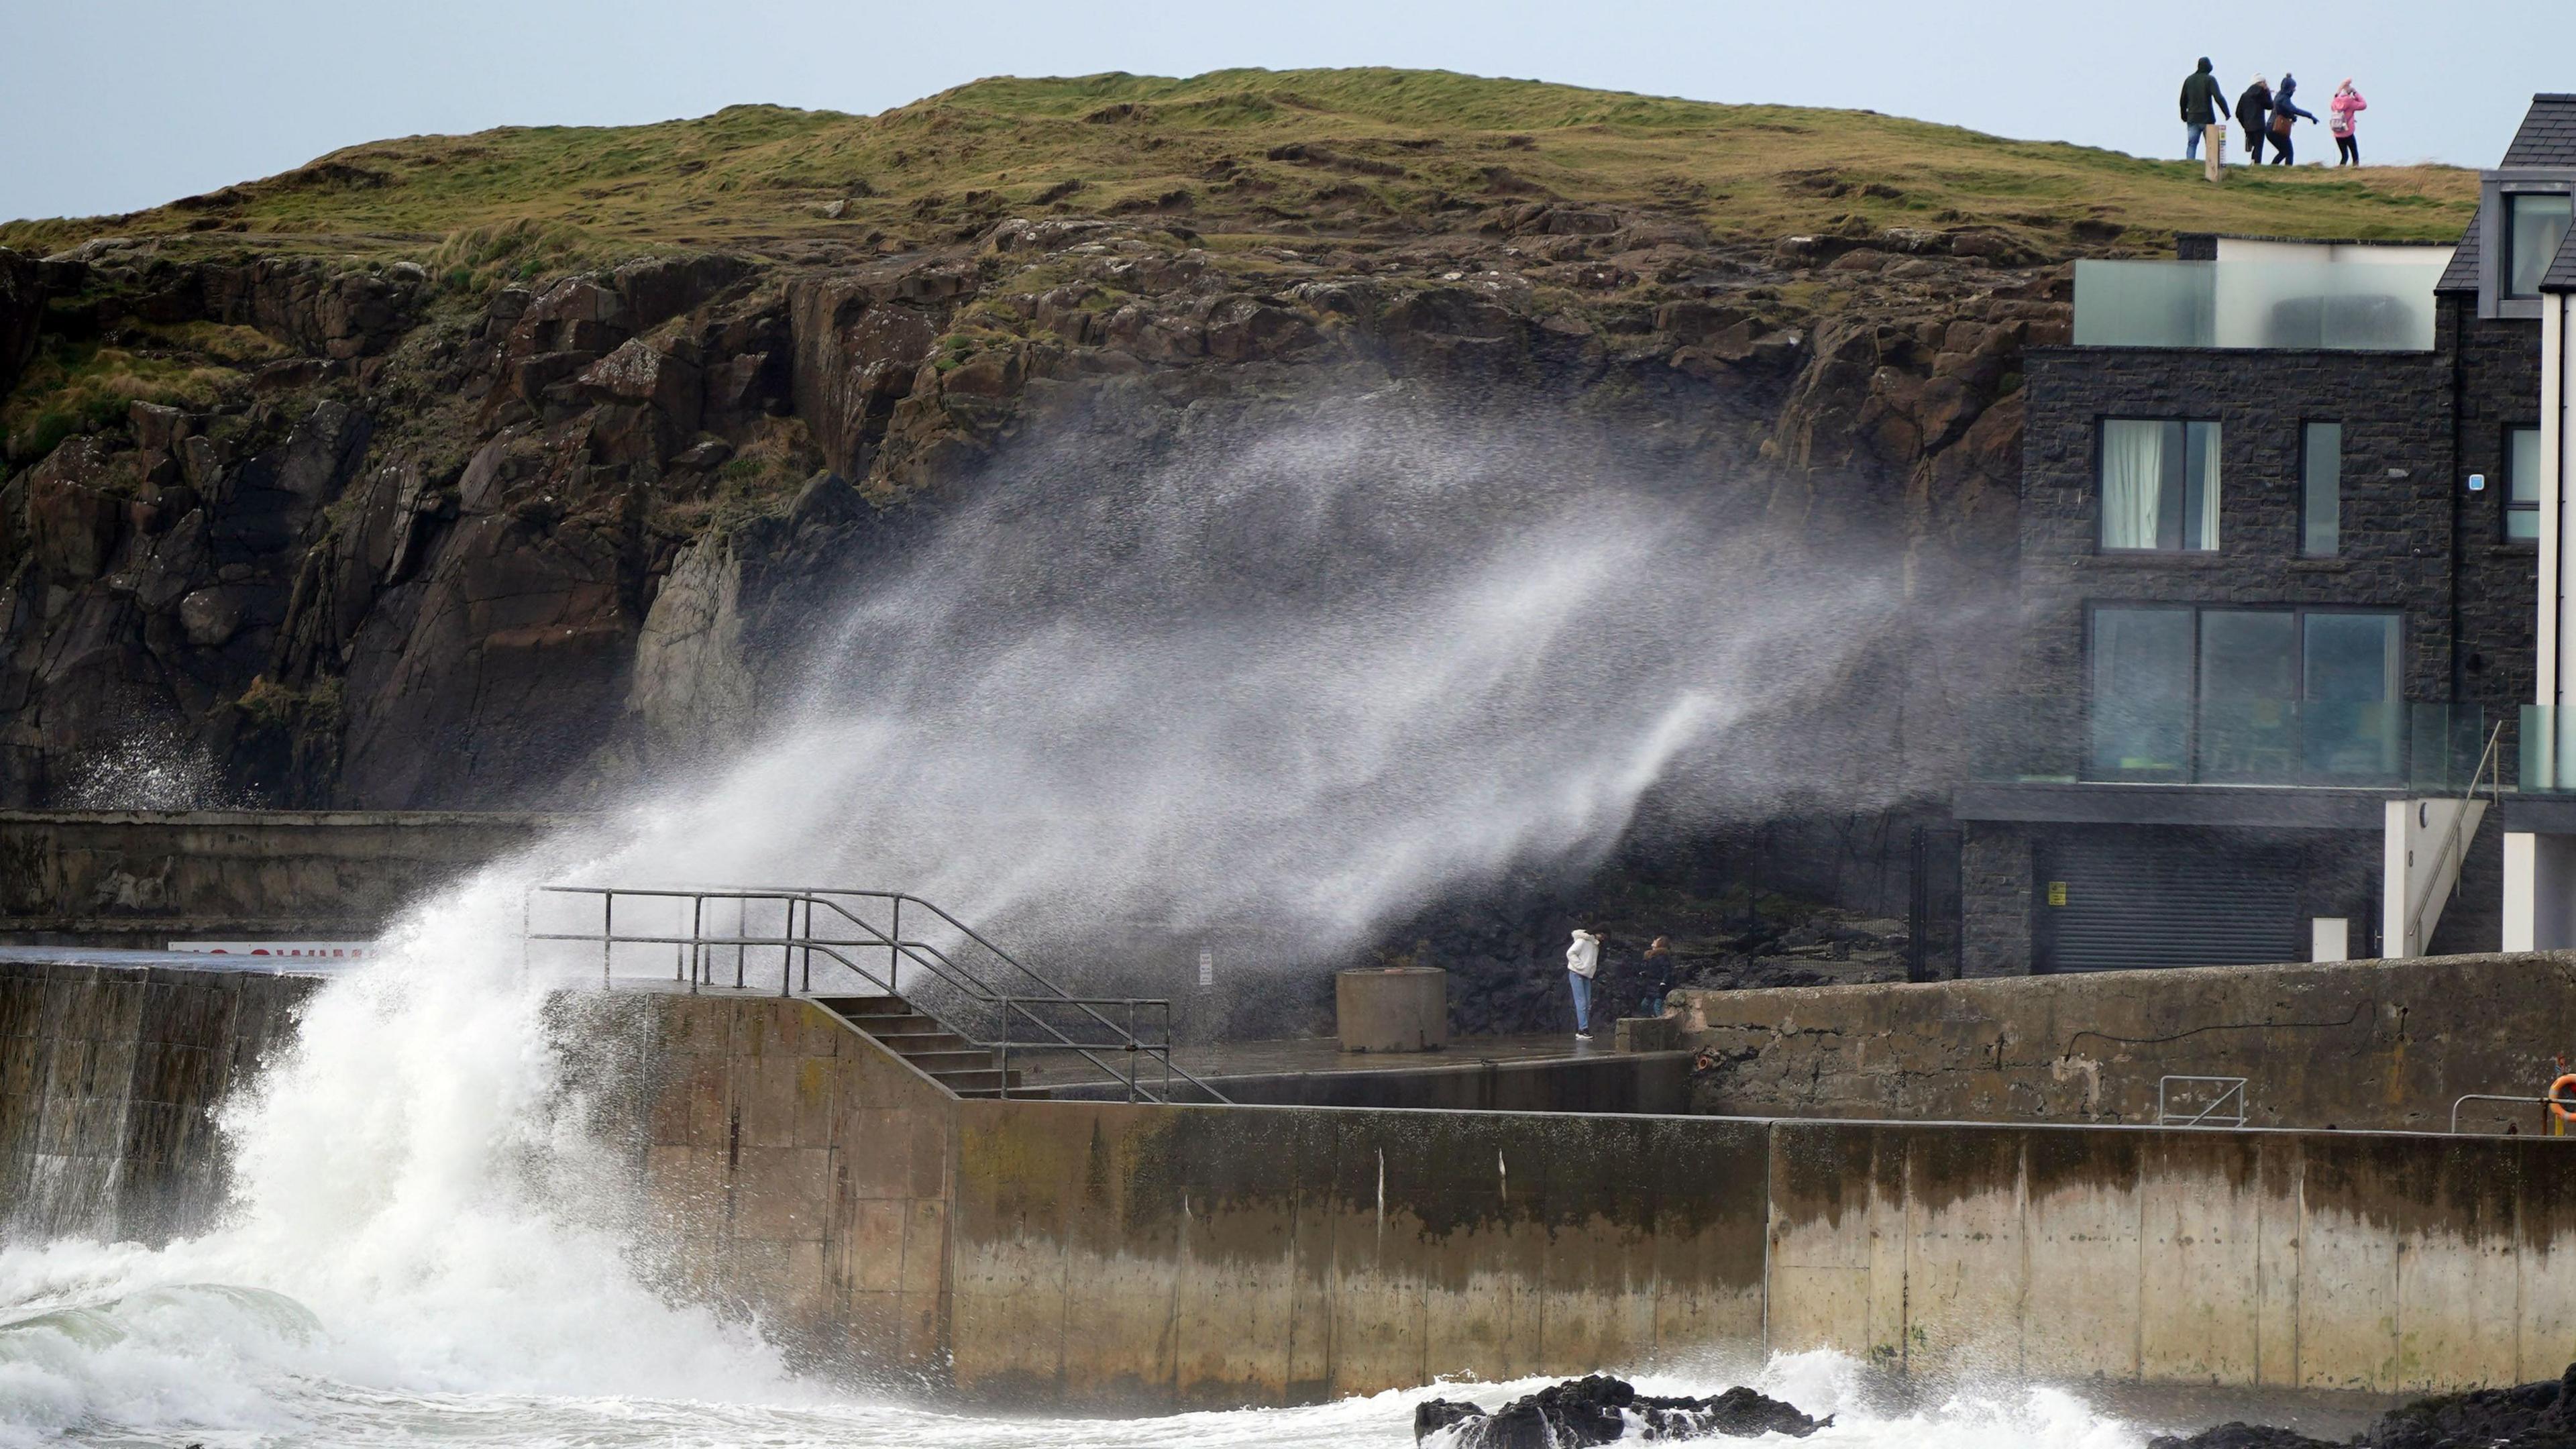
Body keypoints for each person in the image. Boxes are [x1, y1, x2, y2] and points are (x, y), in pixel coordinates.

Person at [2180, 58, 2229, 181]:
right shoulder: (2210, 80)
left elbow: (2183, 100)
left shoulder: (2189, 80)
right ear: (2207, 67)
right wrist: (2226, 112)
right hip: (2207, 118)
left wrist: (2184, 115)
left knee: (2192, 144)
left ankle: (2189, 166)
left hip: (2192, 117)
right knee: (2212, 146)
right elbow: (2219, 97)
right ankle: (2212, 172)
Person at [2268, 75, 2318, 165]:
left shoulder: (2279, 96)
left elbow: (2283, 110)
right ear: (2290, 88)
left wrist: (2292, 116)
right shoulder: (2284, 99)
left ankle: (2272, 168)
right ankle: (2288, 172)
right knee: (2289, 153)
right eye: (2294, 88)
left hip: (2270, 128)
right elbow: (2294, 110)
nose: (2295, 90)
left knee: (2284, 152)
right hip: (2276, 129)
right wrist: (2310, 116)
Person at [1566, 926, 1601, 1041]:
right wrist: (1581, 967)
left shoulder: (1595, 944)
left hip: (1586, 976)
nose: (1603, 937)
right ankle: (1583, 1029)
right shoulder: (1583, 941)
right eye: (1602, 934)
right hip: (1577, 973)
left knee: (1587, 1003)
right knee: (1581, 1002)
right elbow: (1570, 953)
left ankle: (1584, 1028)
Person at [2236, 76, 2273, 166]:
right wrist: (2267, 92)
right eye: (2265, 82)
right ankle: (2256, 165)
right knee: (2258, 147)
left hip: (2248, 127)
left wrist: (2244, 124)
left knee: (2254, 147)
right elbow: (2270, 106)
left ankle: (2253, 163)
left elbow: (2238, 113)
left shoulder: (2245, 95)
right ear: (2261, 83)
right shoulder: (2262, 93)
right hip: (2259, 125)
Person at [2330, 80, 2367, 166]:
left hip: (2337, 132)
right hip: (2348, 131)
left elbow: (2333, 104)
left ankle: (2340, 171)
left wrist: (2339, 91)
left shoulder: (2336, 101)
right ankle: (2356, 170)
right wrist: (2355, 93)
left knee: (2344, 156)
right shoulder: (2351, 102)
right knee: (2355, 155)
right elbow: (2364, 105)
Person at [1638, 936, 1676, 1018]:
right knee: (1645, 1005)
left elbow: (1667, 971)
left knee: (1657, 1007)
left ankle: (1662, 1023)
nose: (1654, 941)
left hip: (1659, 987)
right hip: (1652, 986)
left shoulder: (1662, 957)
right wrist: (1646, 973)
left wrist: (1664, 982)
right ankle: (1651, 1020)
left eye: (1657, 941)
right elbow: (1654, 971)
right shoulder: (1652, 957)